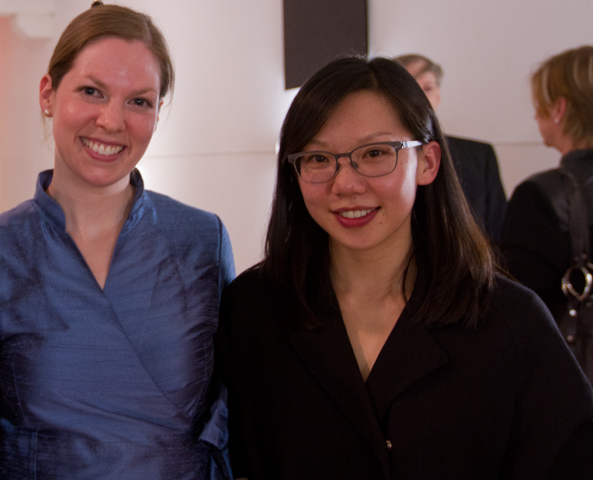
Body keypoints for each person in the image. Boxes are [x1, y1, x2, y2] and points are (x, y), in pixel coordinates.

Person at [216, 56, 593, 479]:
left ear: (428, 162)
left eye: (375, 153)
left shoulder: (509, 322)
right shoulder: (253, 311)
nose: (346, 184)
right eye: (319, 158)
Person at [0, 2, 235, 479]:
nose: (112, 121)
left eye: (139, 101)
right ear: (48, 93)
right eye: (92, 92)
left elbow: (236, 405)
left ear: (158, 112)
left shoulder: (202, 240)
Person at [502, 46, 593, 314]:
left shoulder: (539, 197)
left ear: (559, 108)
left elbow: (517, 306)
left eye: (539, 104)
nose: (534, 115)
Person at [396, 53, 507, 240]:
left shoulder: (480, 157)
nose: (420, 98)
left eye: (428, 88)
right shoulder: (376, 156)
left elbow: (499, 234)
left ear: (438, 95)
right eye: (410, 89)